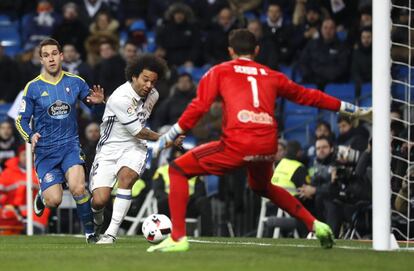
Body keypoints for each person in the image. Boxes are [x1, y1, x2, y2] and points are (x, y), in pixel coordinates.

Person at [148, 29, 371, 252]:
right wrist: (351, 109)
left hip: (237, 143)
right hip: (267, 145)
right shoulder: (272, 75)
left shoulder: (219, 71)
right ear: (256, 50)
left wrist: (172, 133)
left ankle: (178, 238)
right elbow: (309, 96)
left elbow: (200, 106)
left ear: (230, 51)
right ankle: (315, 224)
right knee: (263, 186)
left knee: (177, 169)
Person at [15, 38, 104, 243]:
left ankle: (90, 233)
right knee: (54, 200)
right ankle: (43, 196)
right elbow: (21, 120)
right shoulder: (33, 87)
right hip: (45, 152)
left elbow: (95, 110)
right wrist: (30, 135)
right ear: (41, 60)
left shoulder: (76, 82)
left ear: (61, 56)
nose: (51, 58)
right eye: (46, 55)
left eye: (54, 53)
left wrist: (99, 104)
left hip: (70, 146)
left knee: (78, 188)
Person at [89, 55, 182, 244]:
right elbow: (138, 130)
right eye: (145, 80)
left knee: (127, 178)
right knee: (100, 200)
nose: (149, 85)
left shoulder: (153, 94)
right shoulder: (119, 97)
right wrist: (168, 137)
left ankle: (111, 234)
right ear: (133, 76)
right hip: (109, 148)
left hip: (134, 146)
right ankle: (98, 222)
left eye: (153, 81)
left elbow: (137, 128)